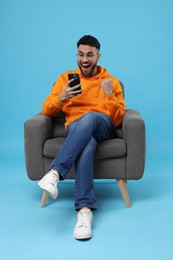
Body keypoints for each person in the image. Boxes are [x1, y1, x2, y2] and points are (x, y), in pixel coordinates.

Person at [38, 35, 126, 240]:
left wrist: (109, 96)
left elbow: (118, 119)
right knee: (86, 143)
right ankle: (84, 210)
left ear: (98, 56)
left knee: (91, 116)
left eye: (90, 55)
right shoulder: (65, 79)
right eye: (81, 54)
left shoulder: (109, 81)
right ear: (76, 55)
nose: (84, 59)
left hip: (102, 125)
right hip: (76, 129)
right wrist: (62, 97)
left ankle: (55, 173)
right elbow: (45, 110)